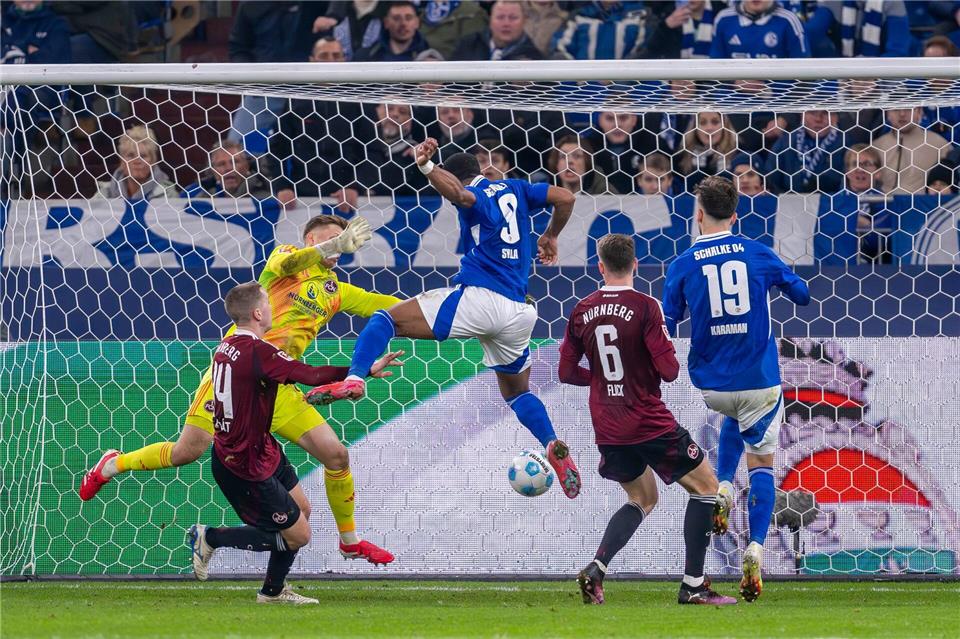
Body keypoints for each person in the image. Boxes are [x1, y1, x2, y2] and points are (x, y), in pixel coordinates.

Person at [80, 215, 400, 566]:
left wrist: (443, 306)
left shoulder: (335, 292)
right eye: (333, 239)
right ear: (311, 238)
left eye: (346, 240)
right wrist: (333, 245)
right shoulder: (287, 261)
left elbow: (386, 305)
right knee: (187, 451)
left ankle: (349, 542)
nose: (343, 245)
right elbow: (289, 261)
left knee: (337, 455)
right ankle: (114, 464)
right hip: (236, 372)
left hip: (280, 385)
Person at [308, 142, 584, 499]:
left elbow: (461, 196)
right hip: (520, 312)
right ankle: (550, 441)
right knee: (517, 393)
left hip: (482, 299)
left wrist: (426, 167)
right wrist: (551, 235)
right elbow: (566, 197)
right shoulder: (516, 187)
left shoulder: (474, 193)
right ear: (483, 169)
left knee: (384, 321)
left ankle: (355, 378)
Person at [187, 282, 402, 603]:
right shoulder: (259, 352)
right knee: (298, 535)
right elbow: (311, 376)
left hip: (261, 448)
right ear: (259, 313)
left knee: (302, 509)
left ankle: (272, 592)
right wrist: (364, 370)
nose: (273, 309)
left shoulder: (227, 344)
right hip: (244, 462)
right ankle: (211, 537)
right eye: (268, 304)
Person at [560, 234, 738, 607]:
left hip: (607, 425)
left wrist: (600, 380)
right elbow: (670, 371)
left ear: (601, 267)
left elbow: (565, 371)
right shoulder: (646, 306)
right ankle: (693, 585)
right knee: (707, 487)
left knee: (642, 497)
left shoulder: (581, 308)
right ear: (636, 264)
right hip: (647, 420)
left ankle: (597, 568)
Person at [661, 176, 811, 602]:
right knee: (762, 464)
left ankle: (723, 485)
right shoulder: (757, 253)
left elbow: (668, 321)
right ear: (737, 214)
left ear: (698, 213)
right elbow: (801, 294)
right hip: (759, 381)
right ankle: (757, 549)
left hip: (712, 385)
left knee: (733, 412)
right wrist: (776, 281)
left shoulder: (684, 262)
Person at [873, 107, 954, 195]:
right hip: (885, 205)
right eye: (896, 109)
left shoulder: (939, 144)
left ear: (919, 112)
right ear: (887, 113)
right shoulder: (876, 146)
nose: (902, 114)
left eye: (908, 109)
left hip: (924, 206)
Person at [764, 110, 845, 195]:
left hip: (832, 204)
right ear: (802, 115)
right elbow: (771, 182)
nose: (818, 119)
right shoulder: (785, 143)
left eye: (825, 113)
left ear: (836, 117)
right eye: (812, 113)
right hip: (790, 203)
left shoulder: (846, 144)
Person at [181, 140, 284, 202]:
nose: (228, 168)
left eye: (235, 162)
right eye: (221, 164)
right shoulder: (200, 198)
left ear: (246, 166)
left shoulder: (267, 197)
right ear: (213, 171)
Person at [97, 125, 179, 202]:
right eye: (130, 155)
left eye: (143, 156)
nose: (137, 161)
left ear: (153, 161)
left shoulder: (168, 195)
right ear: (121, 161)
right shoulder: (104, 194)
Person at [804, 0, 911, 58]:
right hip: (845, 75)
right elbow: (810, 34)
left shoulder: (894, 3)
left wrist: (869, 72)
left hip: (882, 78)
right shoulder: (832, 3)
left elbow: (898, 51)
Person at [710, 0, 810, 59]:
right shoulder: (723, 19)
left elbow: (804, 77)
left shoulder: (789, 21)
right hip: (731, 93)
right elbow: (714, 68)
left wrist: (768, 92)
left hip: (778, 94)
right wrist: (736, 83)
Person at [553, 1, 648, 60]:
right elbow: (560, 50)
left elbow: (646, 51)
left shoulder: (642, 14)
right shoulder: (579, 15)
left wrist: (621, 81)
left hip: (630, 86)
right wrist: (580, 78)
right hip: (582, 86)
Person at [451, 0, 540, 61]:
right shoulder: (469, 45)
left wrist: (526, 86)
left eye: (513, 18)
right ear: (490, 20)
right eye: (500, 17)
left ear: (524, 21)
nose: (506, 23)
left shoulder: (533, 58)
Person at [677, 112, 740, 192]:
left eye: (715, 122)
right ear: (695, 127)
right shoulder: (682, 156)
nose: (709, 128)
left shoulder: (738, 154)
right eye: (703, 123)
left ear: (725, 125)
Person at [354, 1, 431, 62]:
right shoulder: (365, 57)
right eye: (396, 18)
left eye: (408, 18)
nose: (403, 23)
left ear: (417, 22)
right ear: (386, 22)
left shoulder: (431, 59)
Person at [548, 135, 617, 195]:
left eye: (577, 156)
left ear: (587, 162)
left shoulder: (604, 193)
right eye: (563, 156)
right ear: (556, 164)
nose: (569, 161)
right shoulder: (546, 197)